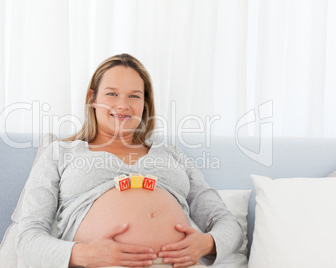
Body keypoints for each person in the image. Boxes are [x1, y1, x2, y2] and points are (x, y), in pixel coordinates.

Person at [16, 53, 243, 268]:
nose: (123, 105)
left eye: (134, 96)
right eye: (112, 94)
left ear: (145, 103)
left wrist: (207, 243)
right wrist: (85, 254)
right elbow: (28, 238)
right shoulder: (61, 153)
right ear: (92, 98)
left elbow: (226, 222)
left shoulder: (171, 154)